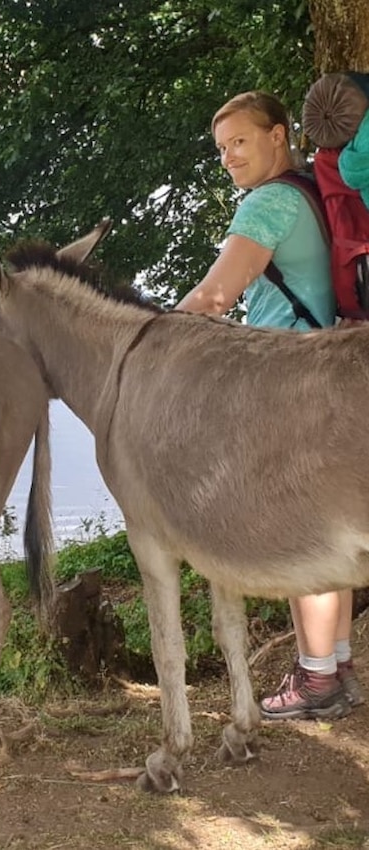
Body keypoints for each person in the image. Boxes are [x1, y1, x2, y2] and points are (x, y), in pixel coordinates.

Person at [176, 90, 364, 720]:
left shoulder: (269, 203)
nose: (229, 157)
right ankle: (334, 668)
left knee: (299, 533)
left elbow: (213, 296)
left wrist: (146, 343)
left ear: (279, 136)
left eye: (240, 142)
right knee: (330, 532)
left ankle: (315, 681)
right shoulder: (310, 192)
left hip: (285, 387)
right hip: (326, 376)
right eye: (221, 147)